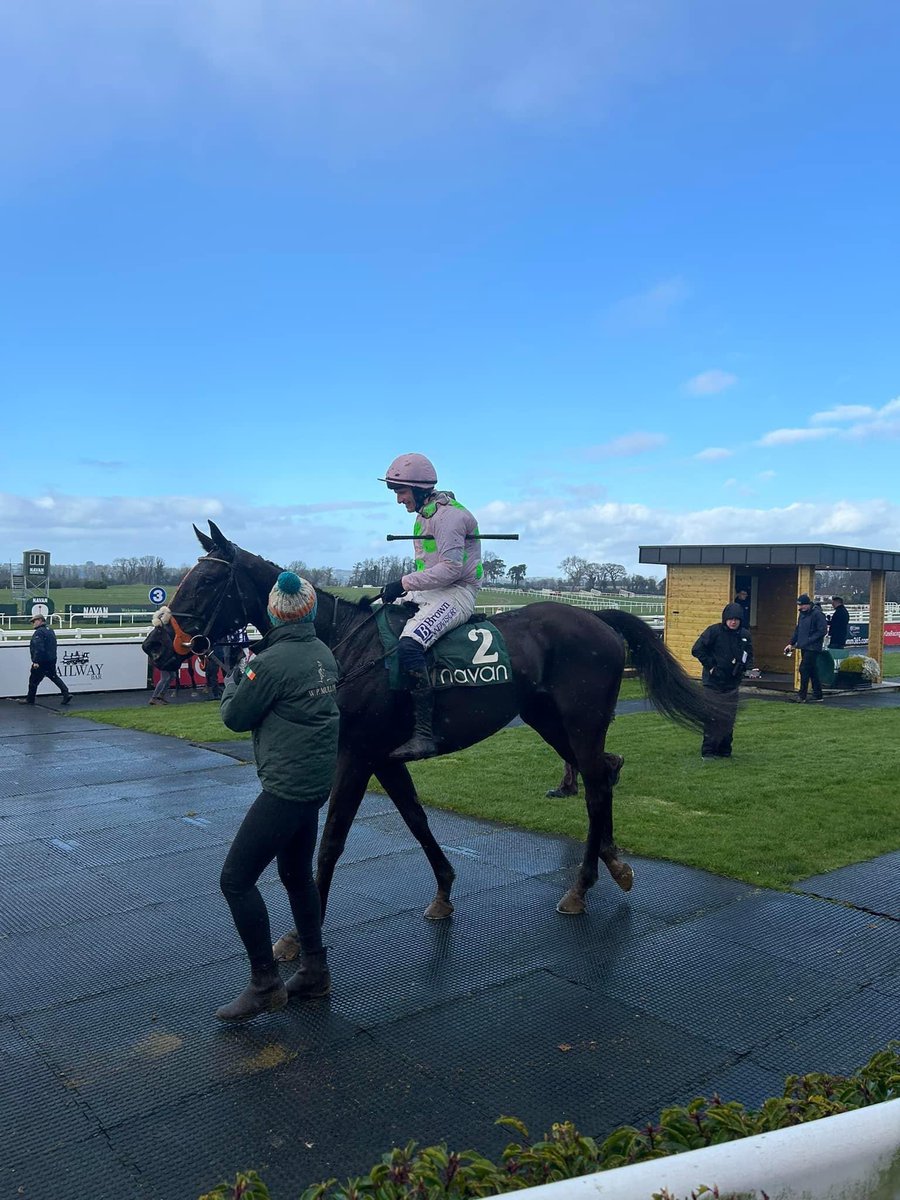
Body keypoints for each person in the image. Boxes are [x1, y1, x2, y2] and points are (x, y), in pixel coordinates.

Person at [215, 571, 340, 1022]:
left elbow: (234, 716)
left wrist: (236, 675)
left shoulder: (265, 663)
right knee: (295, 874)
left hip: (286, 788)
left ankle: (265, 983)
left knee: (235, 880)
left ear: (273, 612)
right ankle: (314, 970)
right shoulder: (322, 652)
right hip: (313, 785)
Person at [379, 452, 482, 760]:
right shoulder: (424, 515)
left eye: (401, 491)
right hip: (434, 590)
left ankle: (423, 734)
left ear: (420, 488)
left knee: (410, 646)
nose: (398, 499)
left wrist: (403, 583)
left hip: (457, 591)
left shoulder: (449, 518)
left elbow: (451, 569)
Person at [691, 602, 753, 759]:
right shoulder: (714, 631)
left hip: (732, 683)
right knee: (713, 717)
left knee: (728, 718)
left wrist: (747, 667)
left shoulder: (744, 635)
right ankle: (709, 751)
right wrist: (711, 666)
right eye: (731, 619)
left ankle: (725, 750)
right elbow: (697, 649)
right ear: (725, 619)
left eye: (737, 619)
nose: (733, 622)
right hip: (713, 683)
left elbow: (749, 654)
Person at [18, 614, 72, 706]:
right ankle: (66, 693)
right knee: (54, 677)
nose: (33, 624)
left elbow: (39, 648)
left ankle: (30, 700)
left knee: (33, 681)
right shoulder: (50, 630)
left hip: (41, 661)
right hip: (51, 659)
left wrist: (36, 661)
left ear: (40, 620)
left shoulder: (39, 632)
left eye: (34, 621)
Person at [784, 593, 827, 703]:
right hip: (804, 646)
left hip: (813, 647)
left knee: (803, 669)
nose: (800, 607)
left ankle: (802, 695)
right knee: (812, 670)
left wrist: (809, 640)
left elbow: (822, 631)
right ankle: (818, 694)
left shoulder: (817, 614)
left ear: (808, 604)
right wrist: (791, 643)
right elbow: (798, 630)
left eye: (802, 605)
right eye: (799, 605)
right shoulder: (802, 614)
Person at [148, 624, 182, 705]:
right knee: (165, 678)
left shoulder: (161, 632)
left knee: (172, 676)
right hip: (163, 658)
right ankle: (154, 697)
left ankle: (161, 695)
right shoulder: (161, 633)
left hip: (164, 658)